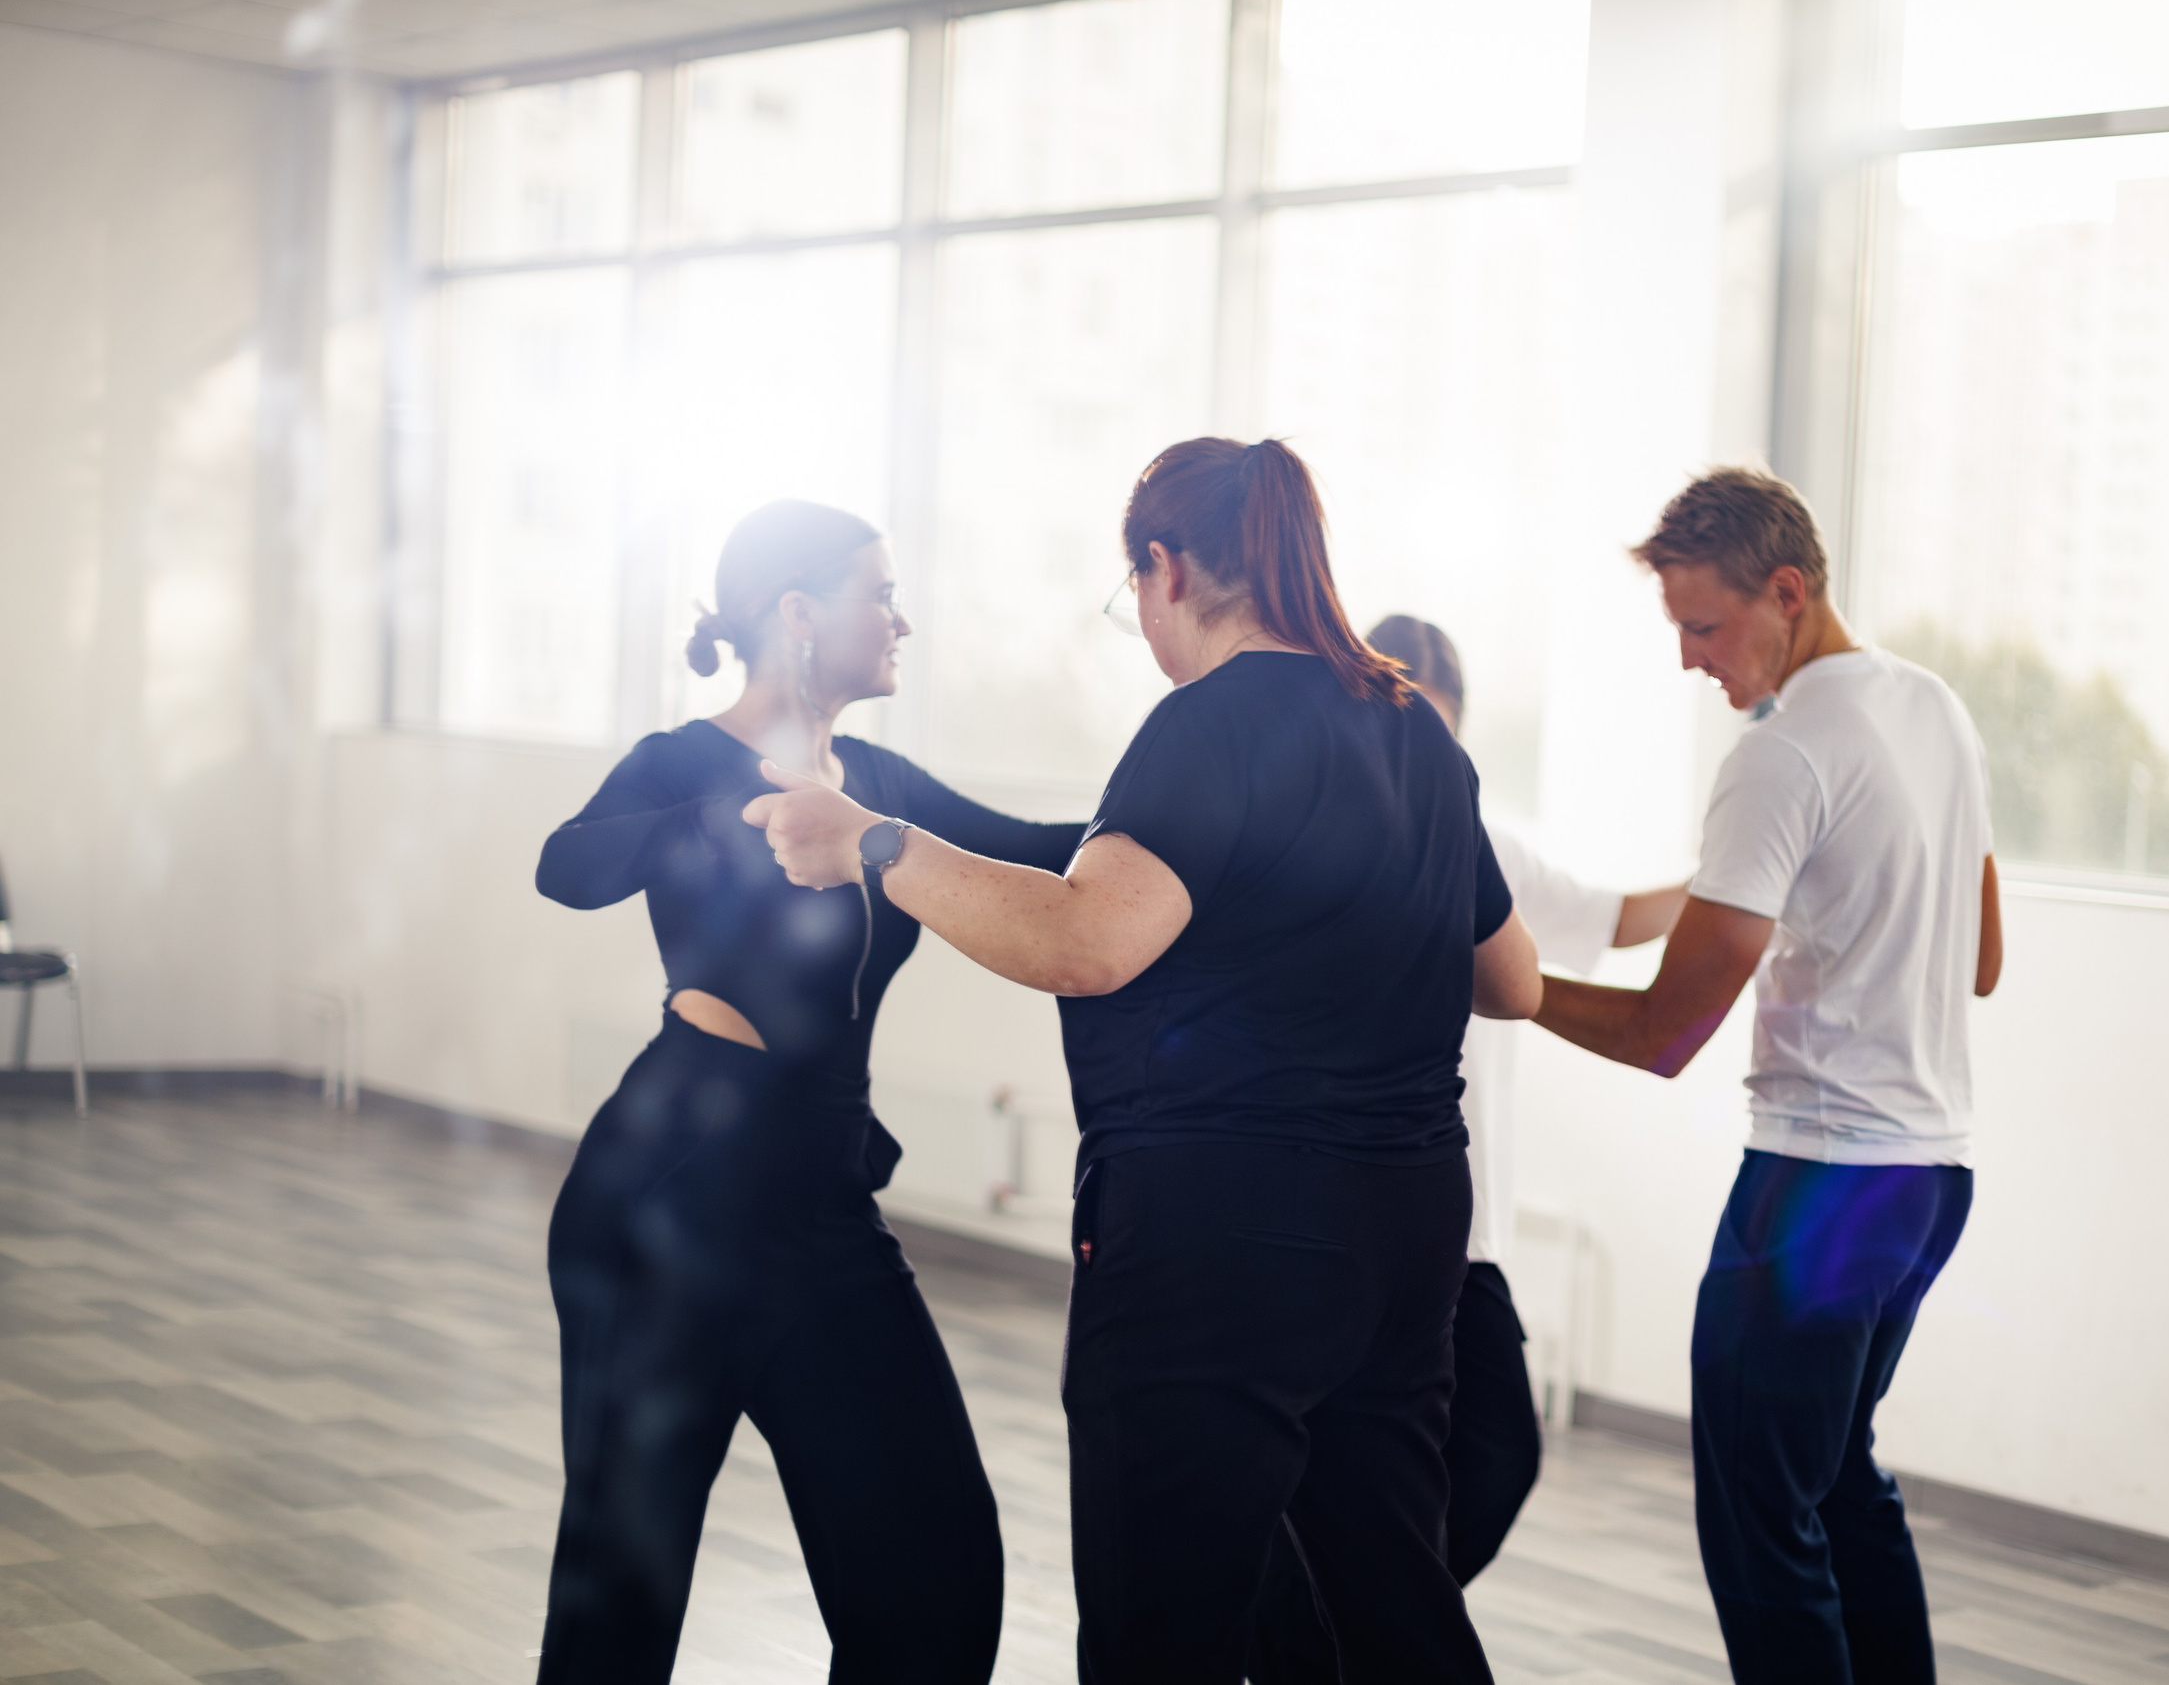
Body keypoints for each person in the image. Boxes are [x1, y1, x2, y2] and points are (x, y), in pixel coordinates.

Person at [749, 438, 1541, 1685]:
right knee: (1391, 1596)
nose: (1148, 631)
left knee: (1160, 1625)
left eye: (1137, 599)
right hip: (1403, 1235)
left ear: (1166, 567)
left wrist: (875, 843)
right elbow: (1514, 982)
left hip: (1217, 1242)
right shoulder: (1414, 734)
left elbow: (1087, 943)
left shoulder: (1205, 725)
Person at [530, 500, 1083, 1685]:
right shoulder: (686, 761)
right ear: (798, 613)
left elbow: (1043, 848)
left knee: (935, 1580)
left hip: (822, 1210)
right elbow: (566, 866)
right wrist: (728, 815)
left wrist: (1205, 820)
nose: (903, 621)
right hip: (668, 1199)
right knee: (618, 1610)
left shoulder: (878, 784)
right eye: (879, 595)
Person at [1532, 468, 2001, 1685]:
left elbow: (1661, 1035)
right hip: (1928, 1181)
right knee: (1838, 1478)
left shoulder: (1782, 754)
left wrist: (1499, 985)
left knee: (1758, 1519)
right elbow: (1983, 959)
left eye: (1703, 626)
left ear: (1785, 593)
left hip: (1820, 1183)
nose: (1690, 661)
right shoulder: (1934, 708)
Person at [1244, 615, 1689, 1684]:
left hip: (1456, 1221)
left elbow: (1613, 920)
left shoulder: (1472, 830)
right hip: (1336, 1211)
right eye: (1405, 731)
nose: (1419, 762)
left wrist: (1742, 881)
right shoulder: (1305, 833)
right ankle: (1330, 1639)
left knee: (1489, 1455)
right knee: (1351, 1461)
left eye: (1441, 740)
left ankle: (1329, 1637)